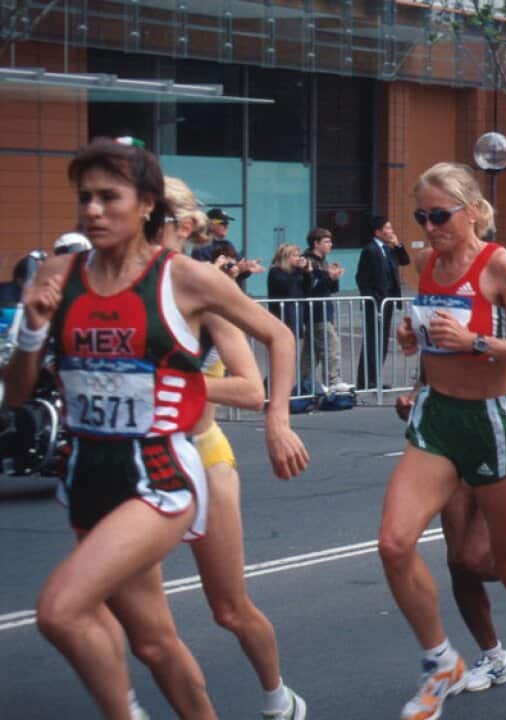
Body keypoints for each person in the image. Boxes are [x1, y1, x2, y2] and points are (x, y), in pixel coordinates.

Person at [6, 137, 308, 719]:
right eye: (84, 198)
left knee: (61, 609)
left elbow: (279, 335)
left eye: (108, 197)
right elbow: (18, 394)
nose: (92, 210)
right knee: (151, 643)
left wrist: (277, 419)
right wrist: (31, 328)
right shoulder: (58, 273)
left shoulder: (185, 279)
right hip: (87, 476)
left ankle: (276, 699)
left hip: (163, 472)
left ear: (146, 204)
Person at [379, 162, 506, 720]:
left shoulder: (498, 264)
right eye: (421, 217)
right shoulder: (430, 265)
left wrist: (479, 341)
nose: (430, 227)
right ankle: (443, 662)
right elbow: (434, 342)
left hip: (492, 422)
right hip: (437, 421)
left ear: (473, 210)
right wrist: (411, 342)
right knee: (395, 544)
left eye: (440, 215)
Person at [159, 175, 309, 719]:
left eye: (159, 224)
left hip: (201, 451)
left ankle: (277, 698)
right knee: (137, 622)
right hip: (137, 463)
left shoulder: (202, 290)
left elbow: (251, 385)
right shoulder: (121, 289)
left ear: (184, 228)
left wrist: (277, 419)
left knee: (228, 609)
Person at [356, 215, 410, 390]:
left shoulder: (388, 249)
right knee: (372, 341)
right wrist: (372, 298)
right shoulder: (370, 250)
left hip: (387, 302)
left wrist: (398, 245)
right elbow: (361, 278)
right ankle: (365, 380)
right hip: (376, 303)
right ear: (377, 232)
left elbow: (405, 260)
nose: (391, 231)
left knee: (383, 341)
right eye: (387, 228)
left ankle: (376, 378)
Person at [301, 227, 350, 391]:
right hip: (316, 311)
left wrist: (334, 277)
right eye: (326, 241)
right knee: (331, 345)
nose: (331, 244)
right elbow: (311, 287)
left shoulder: (323, 261)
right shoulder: (308, 261)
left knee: (311, 351)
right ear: (316, 243)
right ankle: (333, 380)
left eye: (330, 241)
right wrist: (328, 276)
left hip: (323, 310)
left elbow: (329, 289)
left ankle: (305, 382)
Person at [267, 243, 310, 338]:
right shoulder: (275, 271)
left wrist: (307, 273)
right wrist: (299, 270)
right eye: (295, 256)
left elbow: (307, 288)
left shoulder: (296, 272)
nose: (298, 258)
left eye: (299, 255)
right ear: (285, 257)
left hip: (297, 310)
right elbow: (286, 286)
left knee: (295, 341)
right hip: (282, 313)